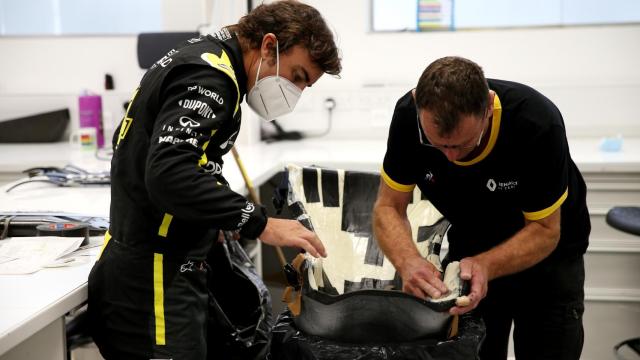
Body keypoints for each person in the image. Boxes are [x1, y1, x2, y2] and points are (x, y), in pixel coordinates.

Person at [87, 1, 341, 359]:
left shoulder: (204, 59)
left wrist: (219, 210)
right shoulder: (211, 78)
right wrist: (259, 223)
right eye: (297, 76)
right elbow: (168, 174)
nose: (295, 92)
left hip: (157, 267)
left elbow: (168, 155)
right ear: (269, 46)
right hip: (153, 279)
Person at [373, 56, 590, 359]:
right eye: (436, 145)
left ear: (488, 108)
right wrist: (408, 261)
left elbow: (545, 230)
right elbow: (388, 208)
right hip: (470, 248)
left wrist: (487, 265)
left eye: (463, 144)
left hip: (549, 259)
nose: (450, 158)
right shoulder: (408, 117)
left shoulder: (536, 122)